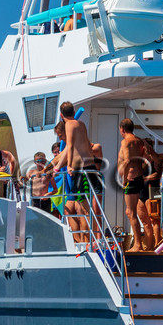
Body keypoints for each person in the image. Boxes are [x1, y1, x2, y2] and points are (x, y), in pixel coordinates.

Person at [52, 102, 98, 238]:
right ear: (73, 112)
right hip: (90, 167)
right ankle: (88, 238)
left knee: (83, 208)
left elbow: (70, 146)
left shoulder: (69, 125)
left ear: (61, 115)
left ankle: (90, 240)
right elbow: (86, 145)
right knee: (85, 206)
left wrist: (71, 165)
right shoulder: (81, 124)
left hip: (80, 169)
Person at [117, 119, 154, 251]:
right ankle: (139, 243)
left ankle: (137, 244)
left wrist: (125, 178)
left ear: (122, 129)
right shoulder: (139, 141)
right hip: (138, 178)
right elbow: (147, 158)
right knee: (131, 211)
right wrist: (140, 169)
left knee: (131, 212)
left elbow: (127, 160)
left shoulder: (126, 141)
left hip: (131, 179)